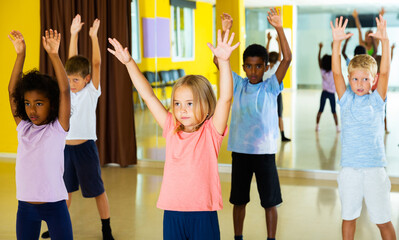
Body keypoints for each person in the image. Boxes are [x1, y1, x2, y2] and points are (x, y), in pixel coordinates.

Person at [108, 27, 239, 239]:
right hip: (172, 211)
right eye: (177, 103)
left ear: (207, 107)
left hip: (202, 213)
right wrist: (129, 63)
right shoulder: (171, 127)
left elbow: (225, 99)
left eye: (189, 103)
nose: (182, 109)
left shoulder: (211, 132)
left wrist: (223, 62)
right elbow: (149, 96)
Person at [215, 8, 292, 240]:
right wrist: (225, 31)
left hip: (265, 154)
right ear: (243, 67)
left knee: (270, 202)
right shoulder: (237, 84)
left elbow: (287, 58)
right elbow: (219, 59)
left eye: (259, 66)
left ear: (267, 66)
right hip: (240, 153)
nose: (254, 70)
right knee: (239, 201)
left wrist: (279, 27)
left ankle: (271, 238)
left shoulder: (271, 86)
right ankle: (238, 237)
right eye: (249, 66)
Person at [41, 14, 114, 240]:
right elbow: (71, 61)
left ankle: (106, 229)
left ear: (87, 79)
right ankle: (57, 227)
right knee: (64, 192)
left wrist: (92, 37)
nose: (71, 84)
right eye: (69, 79)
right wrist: (73, 34)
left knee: (97, 191)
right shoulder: (66, 91)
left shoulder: (92, 91)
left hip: (85, 149)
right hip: (64, 150)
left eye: (76, 80)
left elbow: (96, 63)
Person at [331, 15, 396, 240]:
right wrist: (337, 43)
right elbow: (336, 73)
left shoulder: (377, 101)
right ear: (350, 79)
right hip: (350, 170)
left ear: (374, 80)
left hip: (375, 170)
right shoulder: (346, 99)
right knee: (349, 218)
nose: (360, 84)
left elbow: (386, 72)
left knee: (383, 220)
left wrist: (385, 41)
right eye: (356, 79)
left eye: (365, 79)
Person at [8, 29, 73, 239]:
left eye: (38, 103)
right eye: (27, 103)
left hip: (55, 205)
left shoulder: (57, 128)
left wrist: (54, 55)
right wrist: (20, 55)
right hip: (25, 207)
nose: (31, 110)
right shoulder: (24, 128)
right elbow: (11, 91)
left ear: (52, 104)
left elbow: (64, 91)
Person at [265, 32, 291, 141]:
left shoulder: (265, 67)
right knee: (279, 114)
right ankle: (283, 135)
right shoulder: (277, 66)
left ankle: (266, 135)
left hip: (266, 94)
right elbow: (281, 54)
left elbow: (265, 54)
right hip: (277, 94)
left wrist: (269, 40)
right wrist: (278, 42)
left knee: (266, 115)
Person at [315, 42, 340, 132]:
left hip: (324, 92)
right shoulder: (333, 71)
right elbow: (335, 59)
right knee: (334, 111)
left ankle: (317, 126)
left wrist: (320, 49)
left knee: (320, 109)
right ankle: (337, 127)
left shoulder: (322, 71)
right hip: (332, 93)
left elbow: (319, 60)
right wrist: (333, 47)